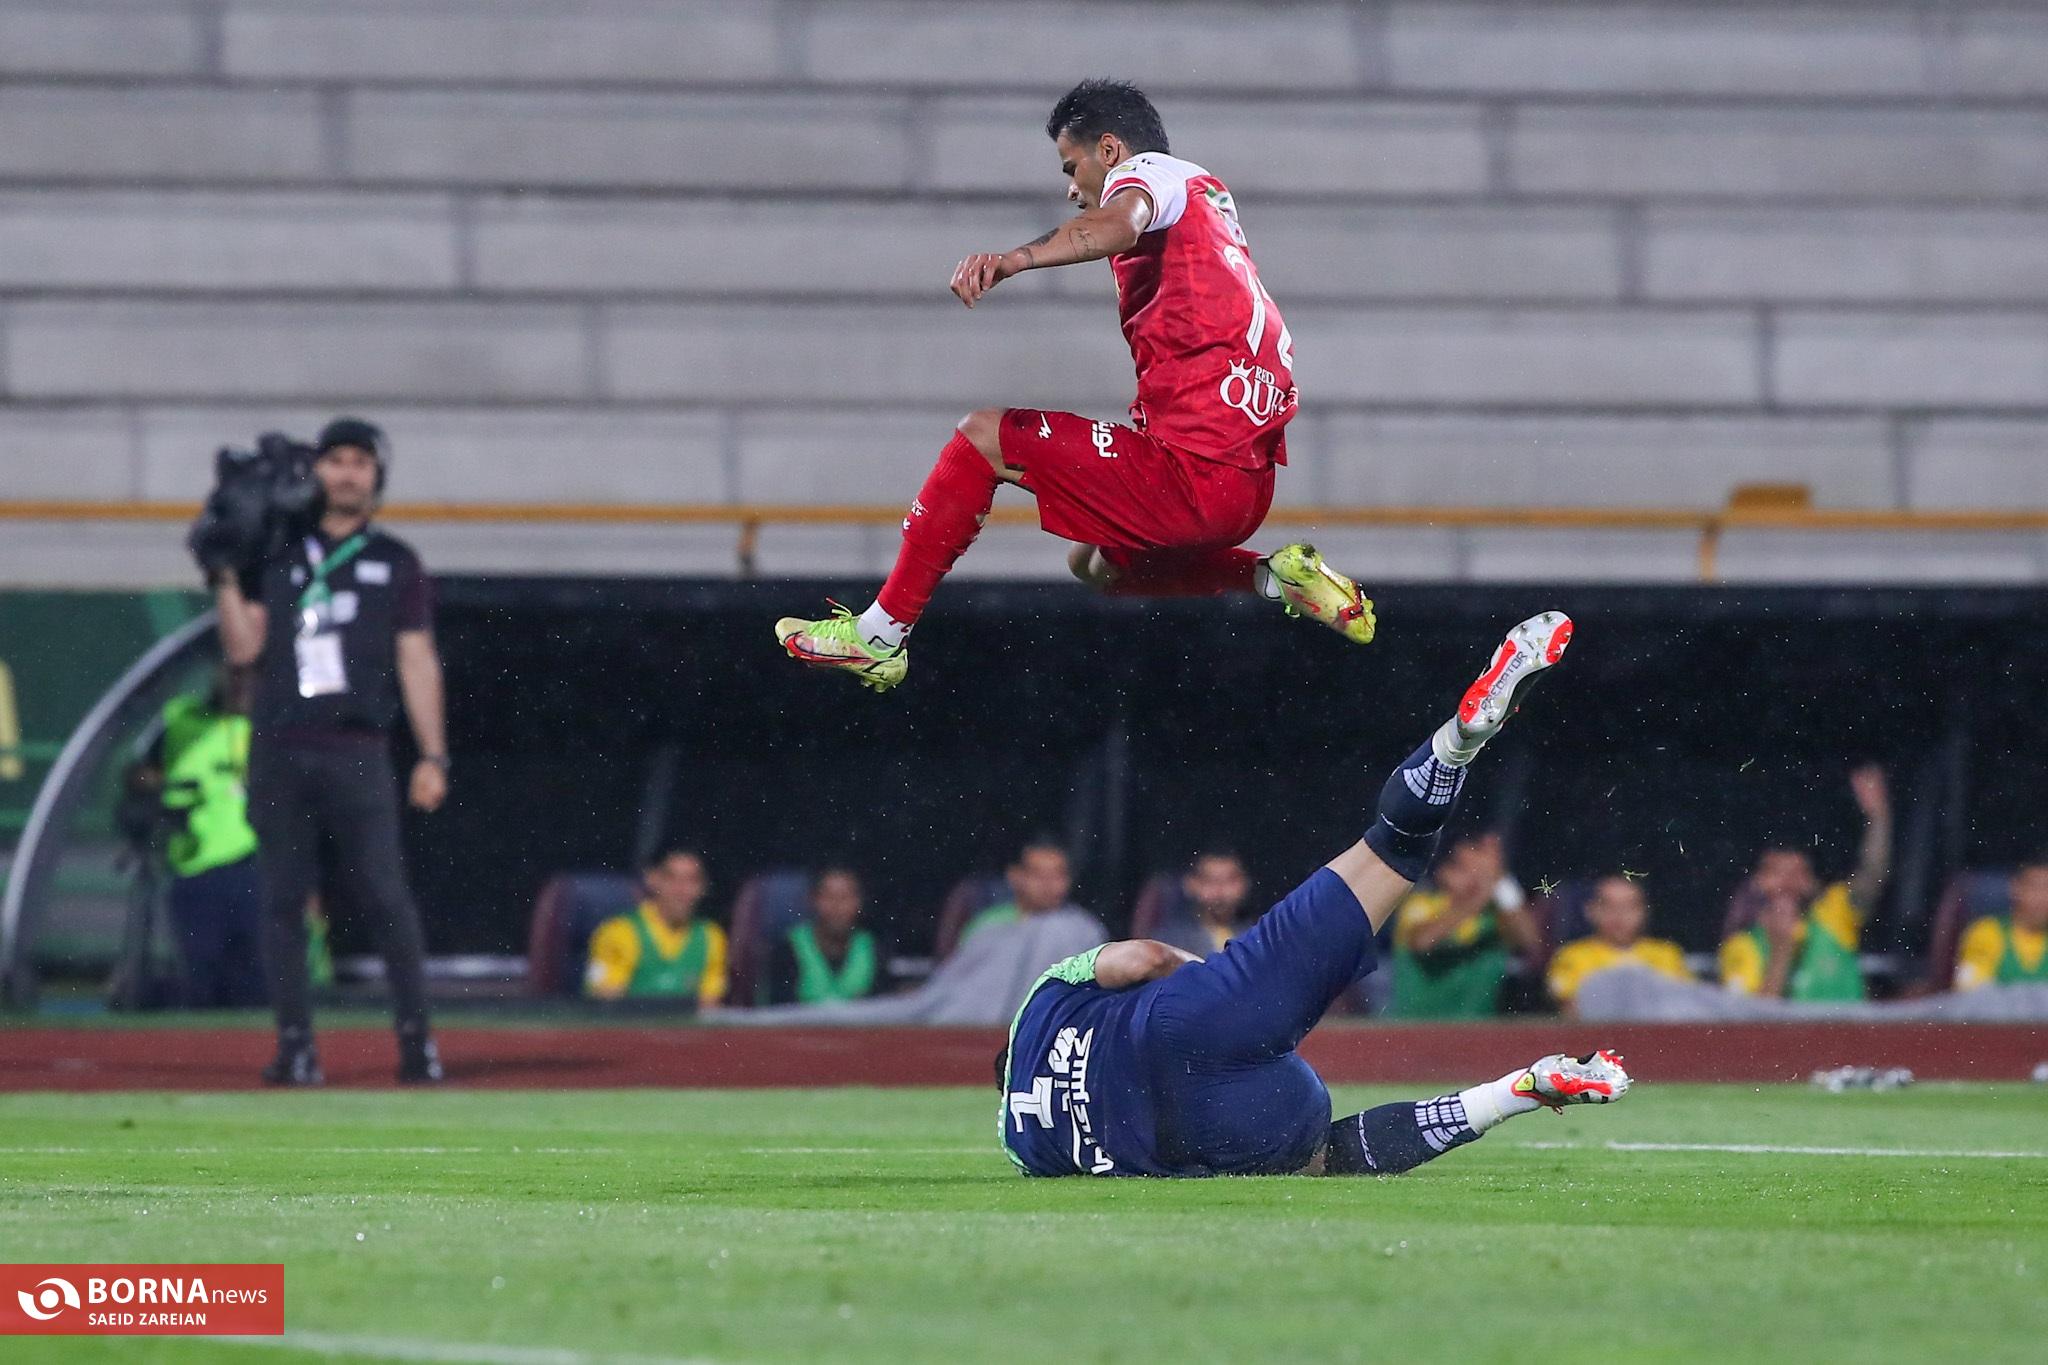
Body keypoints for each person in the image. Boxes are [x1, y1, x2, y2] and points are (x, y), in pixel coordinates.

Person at [775, 78, 1376, 692]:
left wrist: (1014, 259)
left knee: (983, 436)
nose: (1071, 188)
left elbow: (1121, 223)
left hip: (1193, 476)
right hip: (1245, 487)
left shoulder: (1147, 177)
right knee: (1093, 564)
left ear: (1109, 150)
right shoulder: (1207, 200)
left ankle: (879, 636)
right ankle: (1275, 579)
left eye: (1072, 166)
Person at [999, 611, 1629, 1179]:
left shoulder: (1023, 1146)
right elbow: (1141, 958)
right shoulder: (1038, 1010)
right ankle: (1456, 744)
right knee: (1391, 849)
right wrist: (1224, 981)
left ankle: (1517, 1092)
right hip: (1185, 1018)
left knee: (1328, 1157)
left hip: (1197, 1129)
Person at [212, 417, 450, 1085]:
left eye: (359, 462)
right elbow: (243, 649)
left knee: (386, 897)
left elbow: (416, 657)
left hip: (357, 746)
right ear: (315, 470)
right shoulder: (277, 550)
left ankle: (417, 1042)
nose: (347, 473)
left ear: (377, 476)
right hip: (281, 744)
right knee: (284, 901)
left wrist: (433, 754)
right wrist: (223, 573)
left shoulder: (395, 561)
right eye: (336, 459)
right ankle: (296, 1046)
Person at [1718, 765, 1891, 1002]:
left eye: (1799, 872)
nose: (1787, 883)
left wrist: (1878, 815)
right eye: (1776, 872)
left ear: (1813, 882)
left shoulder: (1831, 916)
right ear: (1756, 881)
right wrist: (1781, 951)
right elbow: (1748, 1022)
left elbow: (1872, 874)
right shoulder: (1741, 947)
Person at [149, 667, 265, 1008]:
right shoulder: (181, 719)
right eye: (233, 675)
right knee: (201, 975)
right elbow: (141, 771)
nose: (240, 686)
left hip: (253, 865)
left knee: (256, 980)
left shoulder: (267, 728)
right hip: (194, 865)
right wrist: (167, 794)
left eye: (248, 678)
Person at [1387, 833, 1540, 1018]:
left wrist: (1503, 883)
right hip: (1418, 1027)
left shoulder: (1496, 917)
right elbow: (1422, 942)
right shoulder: (1422, 904)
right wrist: (1482, 893)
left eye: (1481, 871)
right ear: (1445, 872)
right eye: (1466, 868)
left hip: (1476, 1029)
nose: (1476, 877)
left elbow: (1529, 942)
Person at [585, 849, 728, 1006]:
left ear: (704, 886)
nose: (681, 891)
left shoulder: (711, 936)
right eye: (671, 878)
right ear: (652, 879)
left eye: (692, 880)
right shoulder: (619, 932)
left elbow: (709, 1004)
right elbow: (606, 1000)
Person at [1545, 875, 1694, 1016]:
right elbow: (1569, 1007)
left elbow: (1685, 1003)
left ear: (1645, 911)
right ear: (1591, 910)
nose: (1619, 914)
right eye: (1608, 906)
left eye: (1629, 906)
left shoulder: (1667, 953)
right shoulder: (1571, 955)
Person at [762, 866, 892, 1005]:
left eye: (845, 897)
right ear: (813, 900)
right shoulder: (789, 947)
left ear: (858, 902)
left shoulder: (872, 946)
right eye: (828, 897)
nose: (837, 906)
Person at [959, 839, 1084, 947]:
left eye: (1057, 875)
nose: (1048, 883)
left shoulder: (1082, 928)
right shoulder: (989, 923)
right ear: (1014, 876)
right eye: (1037, 874)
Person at [1952, 857, 2048, 991]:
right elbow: (1969, 991)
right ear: (2016, 887)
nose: (2043, 897)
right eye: (2036, 887)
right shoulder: (1986, 933)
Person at [1153, 849, 1253, 957]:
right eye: (1210, 881)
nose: (1220, 890)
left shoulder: (1255, 935)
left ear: (1244, 883)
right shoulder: (1171, 940)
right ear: (1191, 884)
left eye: (1229, 881)